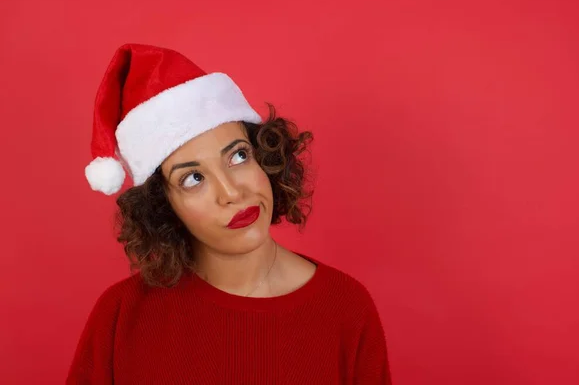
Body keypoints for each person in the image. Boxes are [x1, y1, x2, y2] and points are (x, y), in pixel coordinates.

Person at [67, 43, 391, 384]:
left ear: (264, 156)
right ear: (162, 206)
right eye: (193, 178)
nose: (232, 193)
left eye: (238, 156)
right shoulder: (122, 315)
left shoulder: (346, 308)